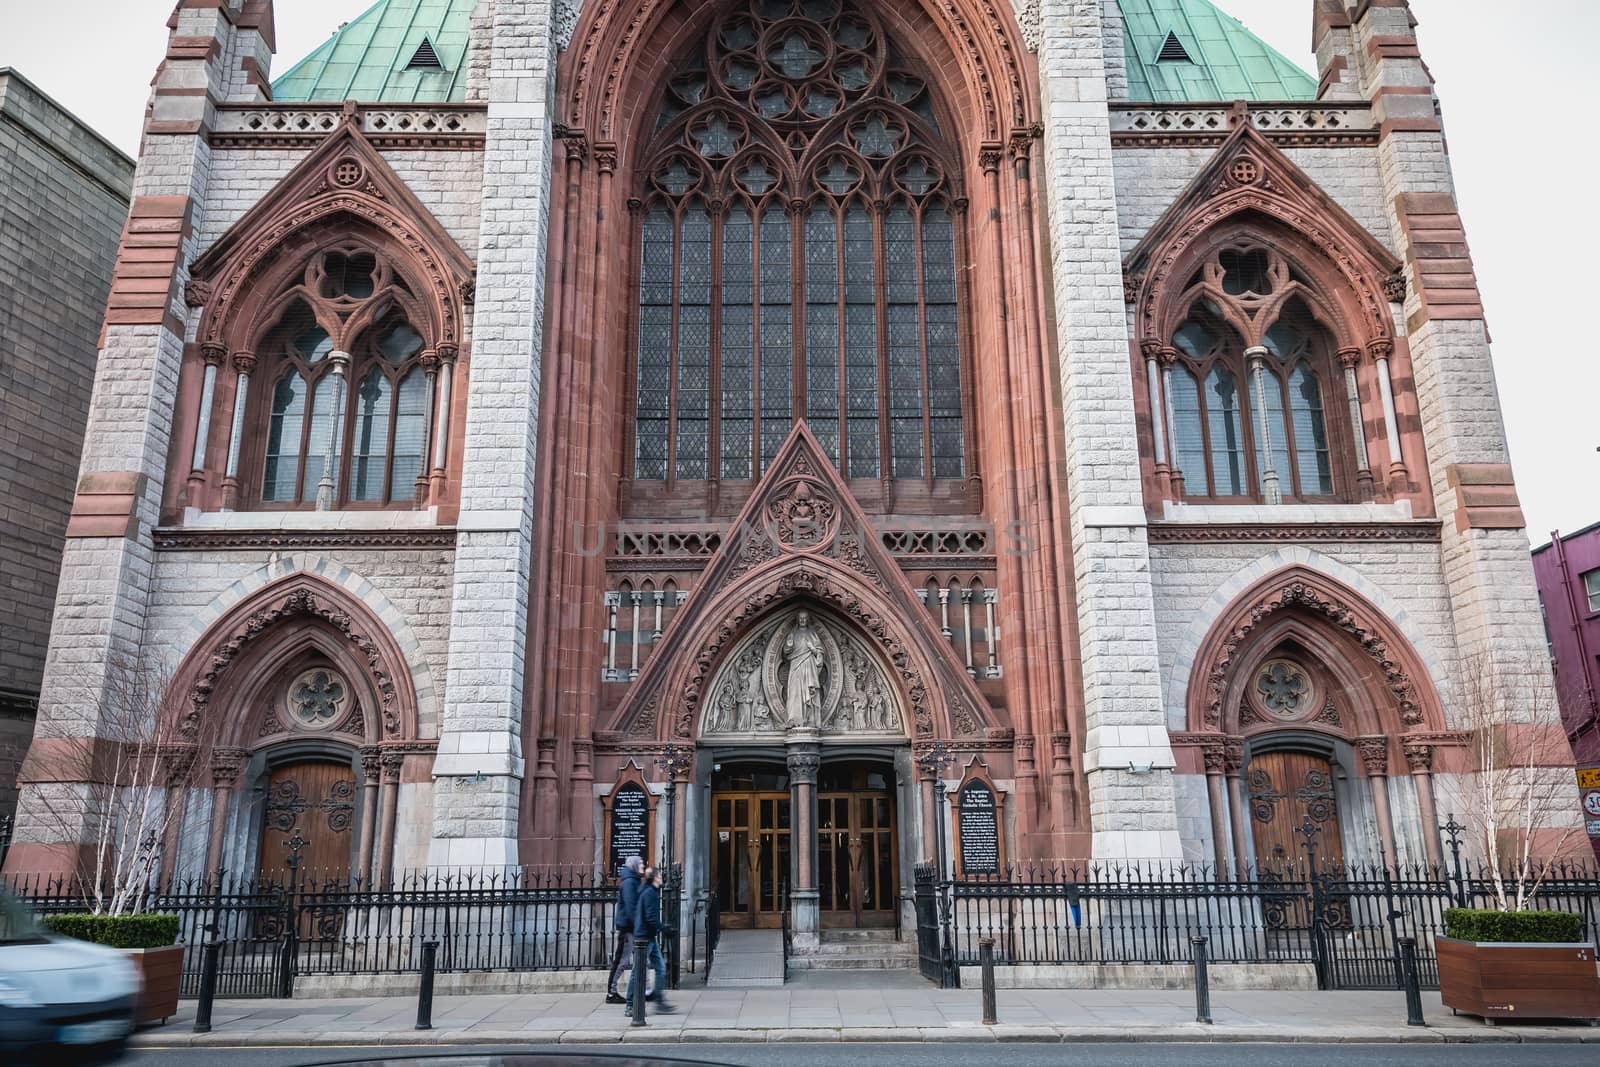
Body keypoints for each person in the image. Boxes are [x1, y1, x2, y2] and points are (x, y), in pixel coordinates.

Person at [627, 865, 675, 1014]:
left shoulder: (650, 891)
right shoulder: (649, 893)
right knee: (637, 971)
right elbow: (650, 917)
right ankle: (630, 1004)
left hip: (649, 938)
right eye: (660, 876)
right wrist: (663, 929)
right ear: (654, 878)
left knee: (660, 968)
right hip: (644, 939)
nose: (662, 878)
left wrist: (660, 929)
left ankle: (659, 1000)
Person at [604, 855, 644, 1004]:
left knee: (638, 958)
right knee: (622, 960)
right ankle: (611, 992)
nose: (643, 865)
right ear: (633, 865)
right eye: (640, 863)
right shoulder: (629, 882)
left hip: (631, 926)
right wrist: (637, 924)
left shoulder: (633, 879)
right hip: (628, 927)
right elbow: (631, 905)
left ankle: (645, 990)